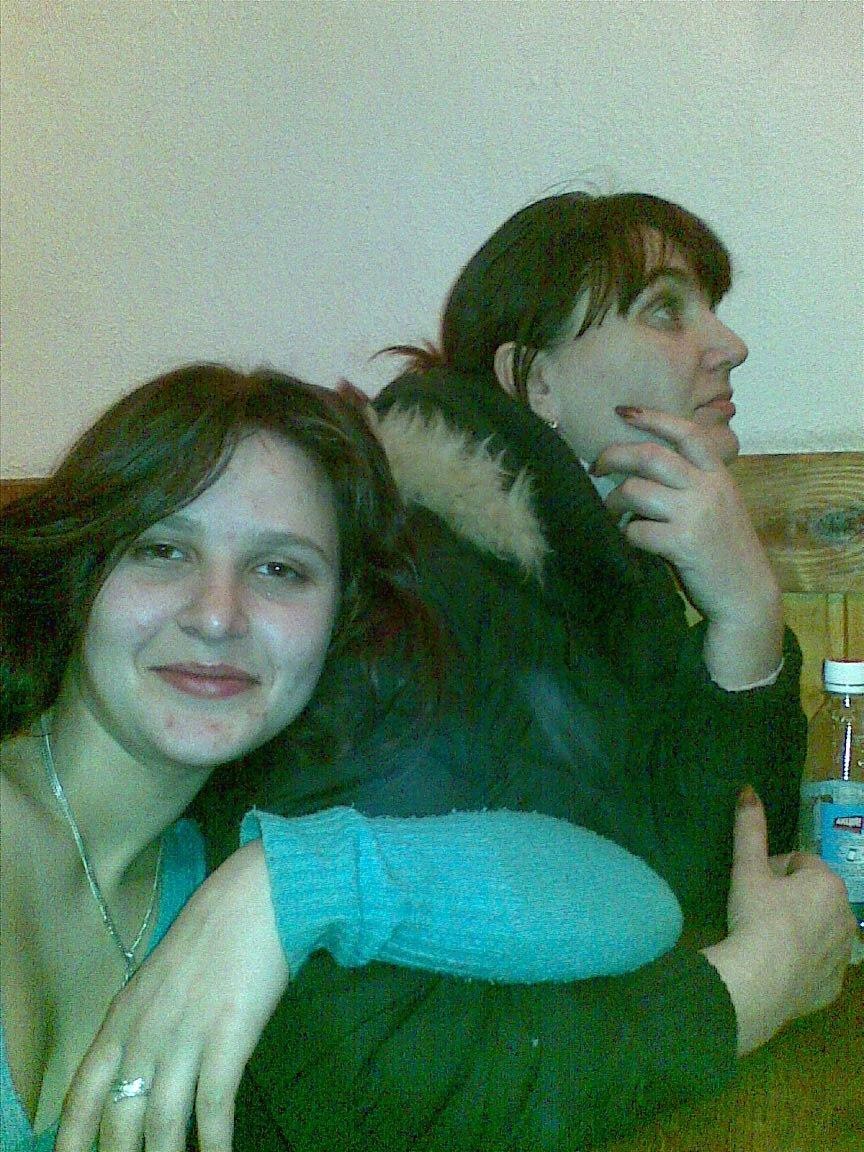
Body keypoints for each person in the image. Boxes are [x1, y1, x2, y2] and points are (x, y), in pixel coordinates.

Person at [208, 191, 850, 1150]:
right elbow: (360, 1077)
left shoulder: (587, 580)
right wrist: (742, 997)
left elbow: (691, 889)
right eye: (666, 309)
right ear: (536, 380)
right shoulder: (402, 588)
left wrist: (747, 621)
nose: (730, 345)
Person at [0, 363, 687, 1152]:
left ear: (339, 619)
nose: (218, 616)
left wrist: (299, 883)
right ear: (81, 568)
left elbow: (638, 904)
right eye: (163, 550)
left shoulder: (212, 856)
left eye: (280, 570)